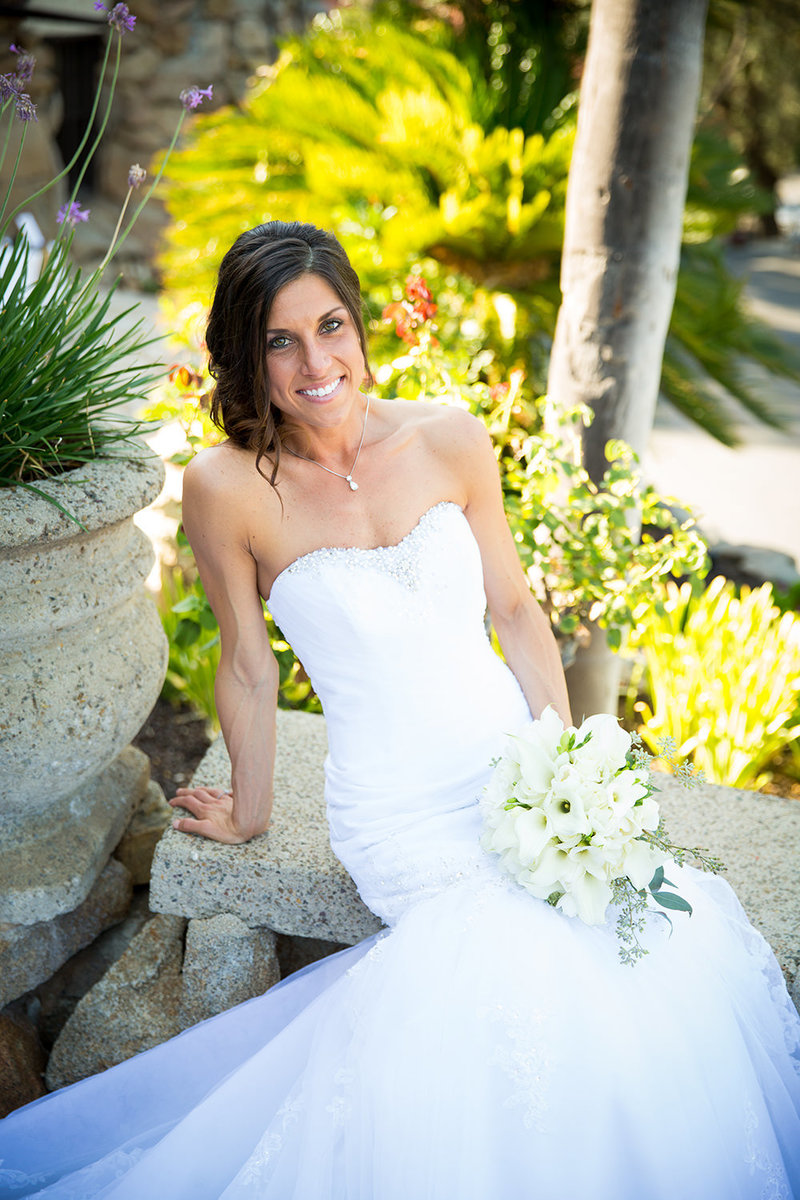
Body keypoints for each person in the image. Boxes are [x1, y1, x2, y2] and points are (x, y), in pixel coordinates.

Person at [1, 221, 798, 1199]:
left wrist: (571, 758)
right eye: (279, 341)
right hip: (396, 811)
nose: (314, 361)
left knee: (648, 949)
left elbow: (512, 606)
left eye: (329, 324)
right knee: (532, 973)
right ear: (246, 358)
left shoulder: (449, 438)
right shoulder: (225, 490)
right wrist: (250, 812)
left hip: (515, 765)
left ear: (359, 323)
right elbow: (248, 669)